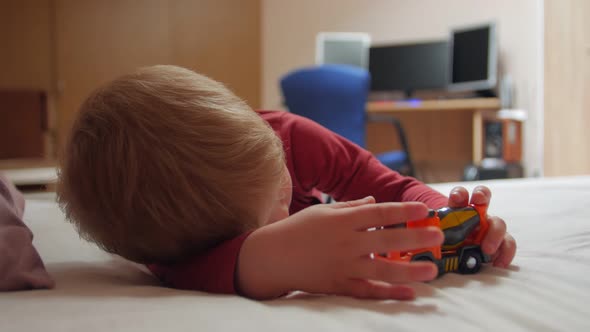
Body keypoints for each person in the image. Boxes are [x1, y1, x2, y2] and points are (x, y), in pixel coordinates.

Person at [57, 65, 516, 300]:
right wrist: (262, 261)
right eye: (273, 208)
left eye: (280, 174)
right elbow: (180, 270)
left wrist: (446, 216)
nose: (287, 191)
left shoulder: (287, 135)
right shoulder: (174, 243)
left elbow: (389, 185)